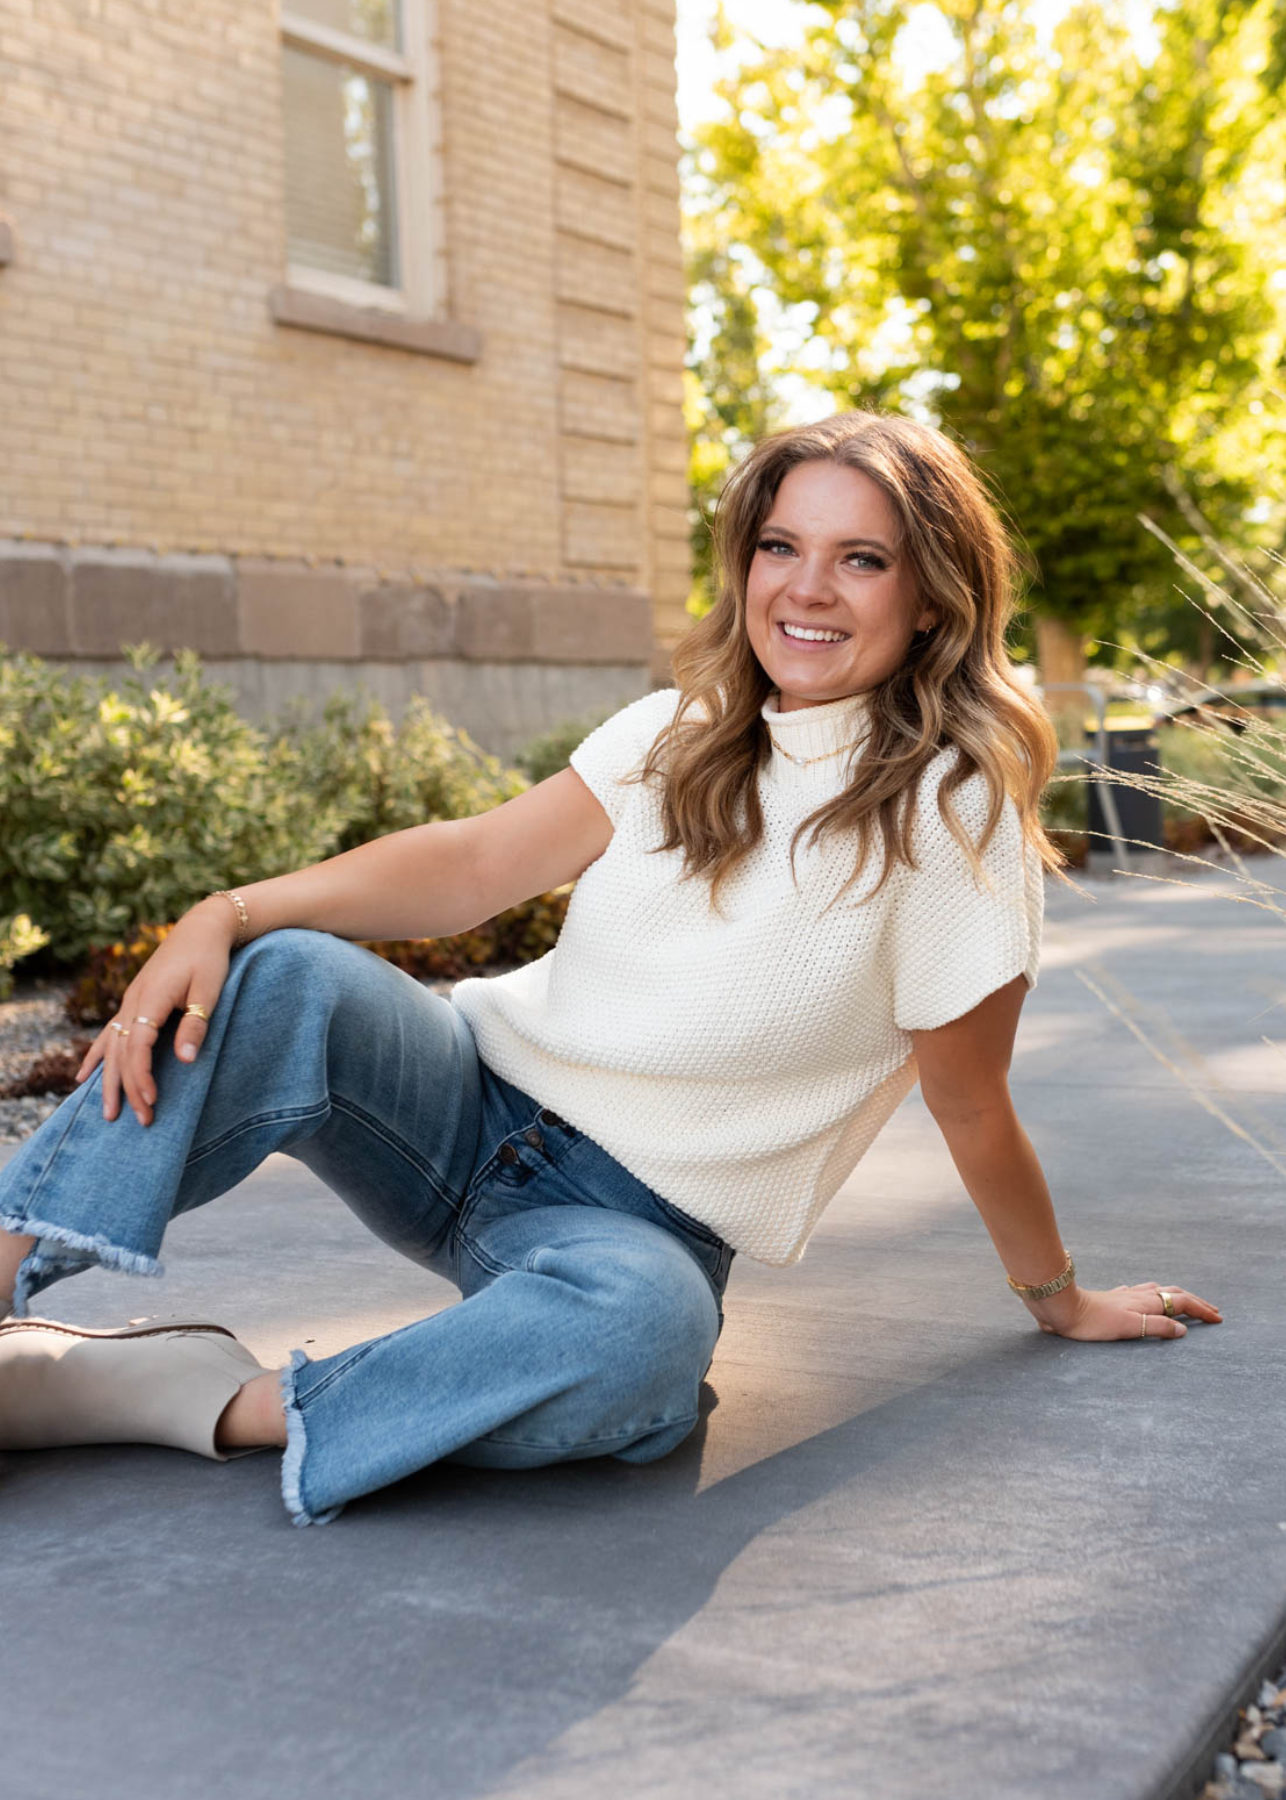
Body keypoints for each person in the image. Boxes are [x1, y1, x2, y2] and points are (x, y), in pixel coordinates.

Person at [0, 410, 1221, 1526]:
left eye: (860, 558)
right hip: (461, 1108)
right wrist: (226, 910)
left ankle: (171, 1394)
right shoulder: (674, 735)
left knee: (645, 1347)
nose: (804, 589)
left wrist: (1056, 1298)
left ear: (931, 597)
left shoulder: (951, 822)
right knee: (284, 977)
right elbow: (472, 863)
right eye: (778, 547)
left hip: (629, 1229)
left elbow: (968, 1099)